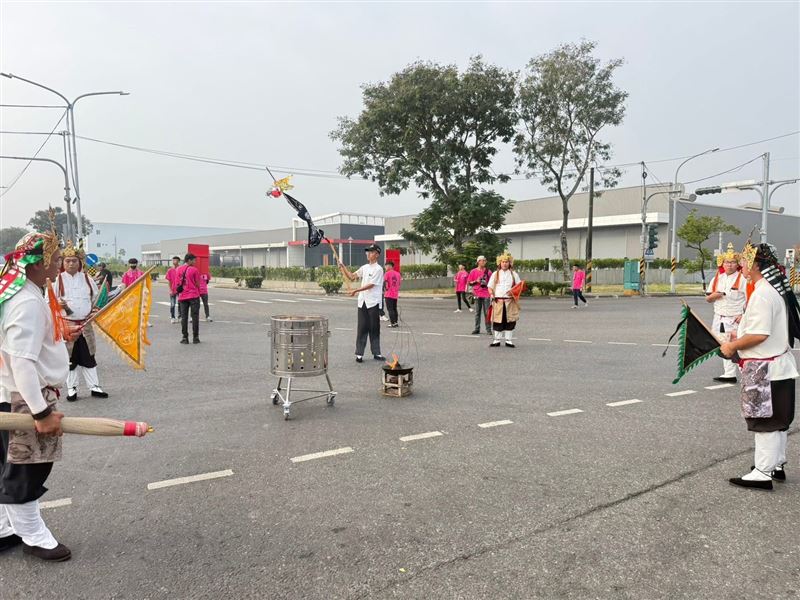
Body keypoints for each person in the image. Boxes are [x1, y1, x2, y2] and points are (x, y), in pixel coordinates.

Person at [0, 230, 74, 561]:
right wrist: (41, 413)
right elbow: (22, 363)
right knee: (27, 469)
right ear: (38, 265)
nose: (59, 265)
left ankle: (5, 529)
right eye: (56, 259)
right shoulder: (27, 301)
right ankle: (32, 535)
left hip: (12, 393)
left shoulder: (17, 293)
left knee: (8, 466)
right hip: (22, 397)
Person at [720, 242, 799, 491]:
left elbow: (759, 334)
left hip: (765, 369)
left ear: (754, 264)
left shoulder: (763, 294)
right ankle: (776, 463)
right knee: (777, 420)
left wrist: (732, 347)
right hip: (778, 366)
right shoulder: (770, 290)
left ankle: (762, 473)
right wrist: (739, 336)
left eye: (744, 260)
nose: (741, 265)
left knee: (764, 421)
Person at [55, 241, 108, 402]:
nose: (71, 264)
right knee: (70, 359)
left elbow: (97, 299)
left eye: (74, 261)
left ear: (80, 262)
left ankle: (94, 386)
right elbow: (48, 302)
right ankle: (72, 388)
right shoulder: (58, 280)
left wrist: (95, 309)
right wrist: (58, 304)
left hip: (86, 324)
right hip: (67, 325)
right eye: (68, 261)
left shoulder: (87, 279)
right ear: (63, 263)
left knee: (89, 356)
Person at [705, 243, 747, 383]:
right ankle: (729, 373)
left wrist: (743, 315)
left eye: (733, 262)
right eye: (727, 262)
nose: (729, 265)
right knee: (723, 344)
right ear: (722, 263)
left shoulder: (743, 279)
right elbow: (708, 298)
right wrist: (715, 295)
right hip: (719, 317)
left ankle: (746, 373)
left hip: (735, 318)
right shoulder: (717, 278)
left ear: (737, 264)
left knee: (738, 346)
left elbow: (750, 299)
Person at [338, 244, 385, 362]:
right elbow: (352, 276)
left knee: (374, 328)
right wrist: (343, 267)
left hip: (373, 302)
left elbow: (371, 285)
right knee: (362, 327)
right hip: (362, 302)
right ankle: (359, 354)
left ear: (377, 254)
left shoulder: (378, 269)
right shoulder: (364, 267)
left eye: (371, 252)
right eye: (367, 252)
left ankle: (376, 353)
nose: (368, 254)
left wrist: (356, 290)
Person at [487, 253, 521, 347]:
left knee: (510, 320)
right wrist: (491, 294)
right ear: (500, 263)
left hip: (510, 301)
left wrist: (513, 292)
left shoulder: (514, 274)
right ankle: (496, 340)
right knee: (498, 320)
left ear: (509, 263)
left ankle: (508, 340)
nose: (505, 264)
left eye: (506, 262)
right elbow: (490, 286)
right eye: (503, 262)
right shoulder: (495, 274)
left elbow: (519, 287)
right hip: (498, 301)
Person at [177, 253, 202, 344]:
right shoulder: (194, 270)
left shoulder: (178, 269)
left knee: (184, 317)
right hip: (194, 296)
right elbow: (198, 283)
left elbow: (177, 284)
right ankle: (195, 337)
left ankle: (185, 337)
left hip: (182, 296)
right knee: (195, 317)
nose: (195, 262)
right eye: (194, 260)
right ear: (189, 260)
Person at [468, 256, 493, 335]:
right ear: (478, 261)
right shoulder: (473, 271)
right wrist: (476, 281)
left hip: (486, 294)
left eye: (485, 261)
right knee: (477, 313)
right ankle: (477, 329)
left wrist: (487, 283)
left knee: (487, 313)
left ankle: (488, 329)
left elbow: (492, 283)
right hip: (477, 293)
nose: (484, 262)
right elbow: (469, 283)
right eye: (482, 261)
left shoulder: (488, 272)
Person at [383, 261, 401, 328]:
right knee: (394, 308)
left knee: (390, 309)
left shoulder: (387, 274)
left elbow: (385, 284)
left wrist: (384, 291)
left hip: (388, 294)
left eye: (386, 266)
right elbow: (399, 284)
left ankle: (392, 323)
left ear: (390, 266)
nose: (385, 267)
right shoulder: (398, 274)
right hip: (395, 294)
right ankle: (396, 322)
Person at [165, 256, 181, 324]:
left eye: (175, 260)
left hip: (180, 290)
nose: (174, 261)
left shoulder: (181, 269)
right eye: (173, 260)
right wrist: (170, 290)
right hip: (172, 290)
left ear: (178, 261)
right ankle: (172, 317)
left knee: (180, 304)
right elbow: (169, 281)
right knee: (172, 304)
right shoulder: (170, 270)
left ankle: (180, 317)